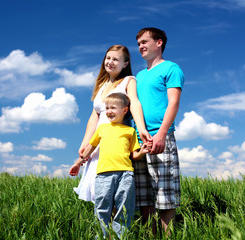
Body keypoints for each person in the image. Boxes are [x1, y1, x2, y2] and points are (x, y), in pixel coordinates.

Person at [73, 45, 151, 203]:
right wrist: (85, 142)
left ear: (125, 64)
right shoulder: (101, 85)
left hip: (115, 137)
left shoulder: (129, 81)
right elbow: (95, 115)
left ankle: (116, 226)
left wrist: (141, 128)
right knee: (97, 187)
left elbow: (135, 103)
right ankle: (103, 226)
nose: (110, 62)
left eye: (116, 59)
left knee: (113, 187)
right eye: (108, 58)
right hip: (99, 138)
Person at [70, 93, 150, 238]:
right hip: (103, 175)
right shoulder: (102, 129)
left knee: (124, 208)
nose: (109, 111)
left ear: (124, 110)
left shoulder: (130, 131)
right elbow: (90, 149)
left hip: (125, 174)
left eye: (113, 107)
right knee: (102, 207)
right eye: (107, 108)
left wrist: (143, 151)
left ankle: (121, 237)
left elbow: (134, 156)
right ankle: (103, 236)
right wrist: (78, 163)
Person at [133, 27, 185, 236]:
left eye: (144, 42)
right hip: (139, 139)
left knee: (165, 197)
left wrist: (162, 133)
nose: (140, 47)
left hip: (160, 136)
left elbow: (174, 103)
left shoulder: (171, 68)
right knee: (144, 199)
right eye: (138, 44)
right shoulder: (138, 76)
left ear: (159, 42)